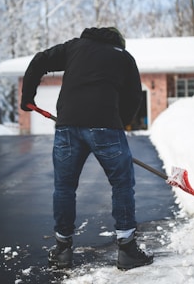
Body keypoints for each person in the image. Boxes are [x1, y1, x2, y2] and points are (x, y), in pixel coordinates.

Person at [20, 27, 153, 270]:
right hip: (106, 126)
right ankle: (127, 250)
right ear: (119, 42)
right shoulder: (124, 57)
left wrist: (27, 96)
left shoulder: (74, 47)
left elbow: (39, 60)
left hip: (67, 126)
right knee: (122, 184)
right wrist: (116, 122)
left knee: (64, 187)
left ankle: (62, 249)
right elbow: (134, 96)